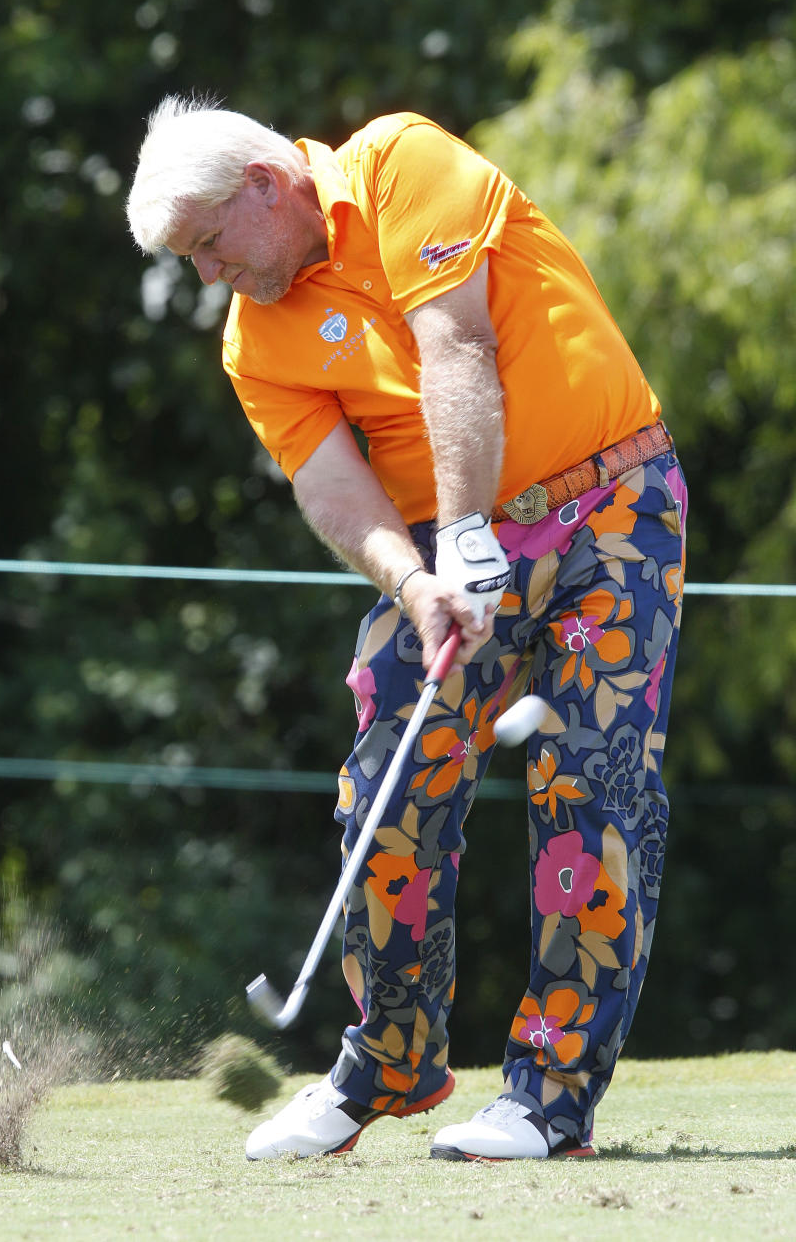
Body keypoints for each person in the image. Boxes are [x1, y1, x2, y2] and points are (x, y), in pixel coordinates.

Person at [126, 95, 687, 1162]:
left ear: (265, 185)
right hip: (449, 546)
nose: (209, 277)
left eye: (208, 246)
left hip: (614, 501)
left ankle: (549, 1097)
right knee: (387, 777)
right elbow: (334, 488)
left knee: (591, 785)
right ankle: (388, 1061)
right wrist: (417, 581)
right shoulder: (258, 341)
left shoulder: (400, 164)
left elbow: (459, 346)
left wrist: (468, 529)